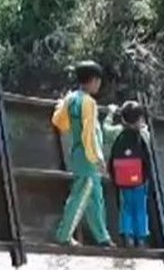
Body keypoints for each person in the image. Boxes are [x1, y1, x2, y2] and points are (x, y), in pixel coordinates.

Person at [51, 60, 113, 247]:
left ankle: (103, 237)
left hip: (78, 153)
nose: (99, 84)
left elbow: (59, 121)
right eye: (98, 81)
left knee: (95, 197)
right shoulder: (88, 102)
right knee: (80, 196)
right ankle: (63, 236)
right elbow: (89, 134)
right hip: (88, 158)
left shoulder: (70, 99)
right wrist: (98, 159)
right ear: (93, 80)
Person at [103, 101, 151, 247]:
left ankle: (127, 235)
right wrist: (145, 127)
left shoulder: (117, 131)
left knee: (126, 207)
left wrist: (110, 114)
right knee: (140, 208)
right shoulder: (143, 134)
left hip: (122, 179)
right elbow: (148, 144)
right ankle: (141, 237)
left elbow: (105, 130)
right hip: (139, 179)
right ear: (139, 120)